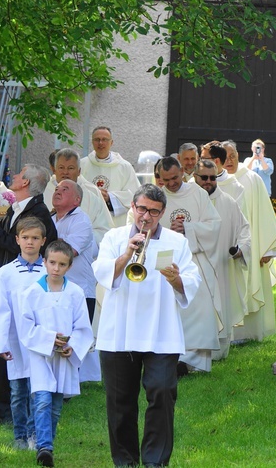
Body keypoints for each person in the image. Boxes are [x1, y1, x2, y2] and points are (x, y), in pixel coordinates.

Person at [94, 184, 201, 467]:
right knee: (120, 403)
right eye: (142, 209)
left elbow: (192, 281)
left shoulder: (176, 243)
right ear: (132, 207)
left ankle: (155, 461)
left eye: (154, 211)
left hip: (161, 332)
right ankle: (125, 461)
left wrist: (177, 279)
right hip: (119, 332)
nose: (146, 216)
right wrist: (127, 255)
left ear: (162, 213)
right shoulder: (114, 237)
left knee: (162, 393)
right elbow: (103, 274)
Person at [0, 163, 58, 427]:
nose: (12, 176)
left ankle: (20, 403)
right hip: (6, 281)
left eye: (17, 174)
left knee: (24, 345)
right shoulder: (14, 209)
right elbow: (1, 250)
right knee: (0, 337)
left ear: (25, 182)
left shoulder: (39, 213)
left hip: (28, 289)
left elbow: (38, 251)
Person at [16, 240, 93, 467]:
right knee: (41, 400)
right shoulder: (32, 292)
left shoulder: (76, 293)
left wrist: (73, 345)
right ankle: (45, 448)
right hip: (41, 356)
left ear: (69, 266)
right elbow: (26, 326)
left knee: (56, 404)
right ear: (44, 262)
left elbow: (82, 327)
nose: (56, 268)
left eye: (62, 264)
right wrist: (49, 339)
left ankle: (46, 441)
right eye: (52, 263)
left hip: (64, 359)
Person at [0, 217, 48, 451]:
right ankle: (19, 436)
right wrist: (0, 343)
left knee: (38, 391)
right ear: (17, 240)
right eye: (25, 238)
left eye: (34, 238)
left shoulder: (49, 271)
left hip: (40, 341)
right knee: (18, 390)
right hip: (15, 340)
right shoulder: (6, 273)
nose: (29, 243)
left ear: (43, 241)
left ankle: (34, 434)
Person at [157, 157, 221, 374]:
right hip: (166, 258)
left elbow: (214, 226)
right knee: (167, 305)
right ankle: (169, 357)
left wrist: (188, 228)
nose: (171, 183)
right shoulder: (158, 197)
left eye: (175, 177)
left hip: (193, 258)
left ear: (183, 172)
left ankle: (192, 362)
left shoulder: (198, 194)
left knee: (197, 308)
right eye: (166, 180)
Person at [219, 140, 276, 342]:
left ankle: (248, 333)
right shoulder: (214, 181)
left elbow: (265, 214)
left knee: (250, 280)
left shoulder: (252, 179)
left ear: (239, 155)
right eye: (225, 157)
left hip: (251, 247)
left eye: (233, 156)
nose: (229, 161)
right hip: (223, 247)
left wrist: (268, 249)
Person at [193, 159, 251, 360]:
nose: (208, 181)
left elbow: (245, 230)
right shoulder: (188, 200)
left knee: (221, 304)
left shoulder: (228, 202)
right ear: (195, 177)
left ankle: (218, 351)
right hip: (194, 267)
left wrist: (240, 250)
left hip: (221, 267)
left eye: (212, 177)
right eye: (204, 178)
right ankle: (194, 351)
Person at [51, 179, 101, 381]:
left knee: (75, 339)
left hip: (80, 291)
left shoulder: (81, 220)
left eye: (65, 189)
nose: (58, 191)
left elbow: (66, 254)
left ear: (77, 200)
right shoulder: (50, 218)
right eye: (56, 188)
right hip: (55, 289)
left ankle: (70, 385)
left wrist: (54, 245)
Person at [43, 148, 113, 246]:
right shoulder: (43, 191)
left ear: (79, 171)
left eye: (70, 168)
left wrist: (78, 238)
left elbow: (103, 231)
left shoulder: (91, 193)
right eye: (61, 168)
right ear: (55, 170)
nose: (65, 172)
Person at [80, 126, 142, 227]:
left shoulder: (124, 166)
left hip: (115, 223)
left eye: (104, 139)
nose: (101, 143)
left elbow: (135, 196)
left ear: (111, 142)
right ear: (92, 142)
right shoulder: (82, 165)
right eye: (97, 139)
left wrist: (110, 198)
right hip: (89, 221)